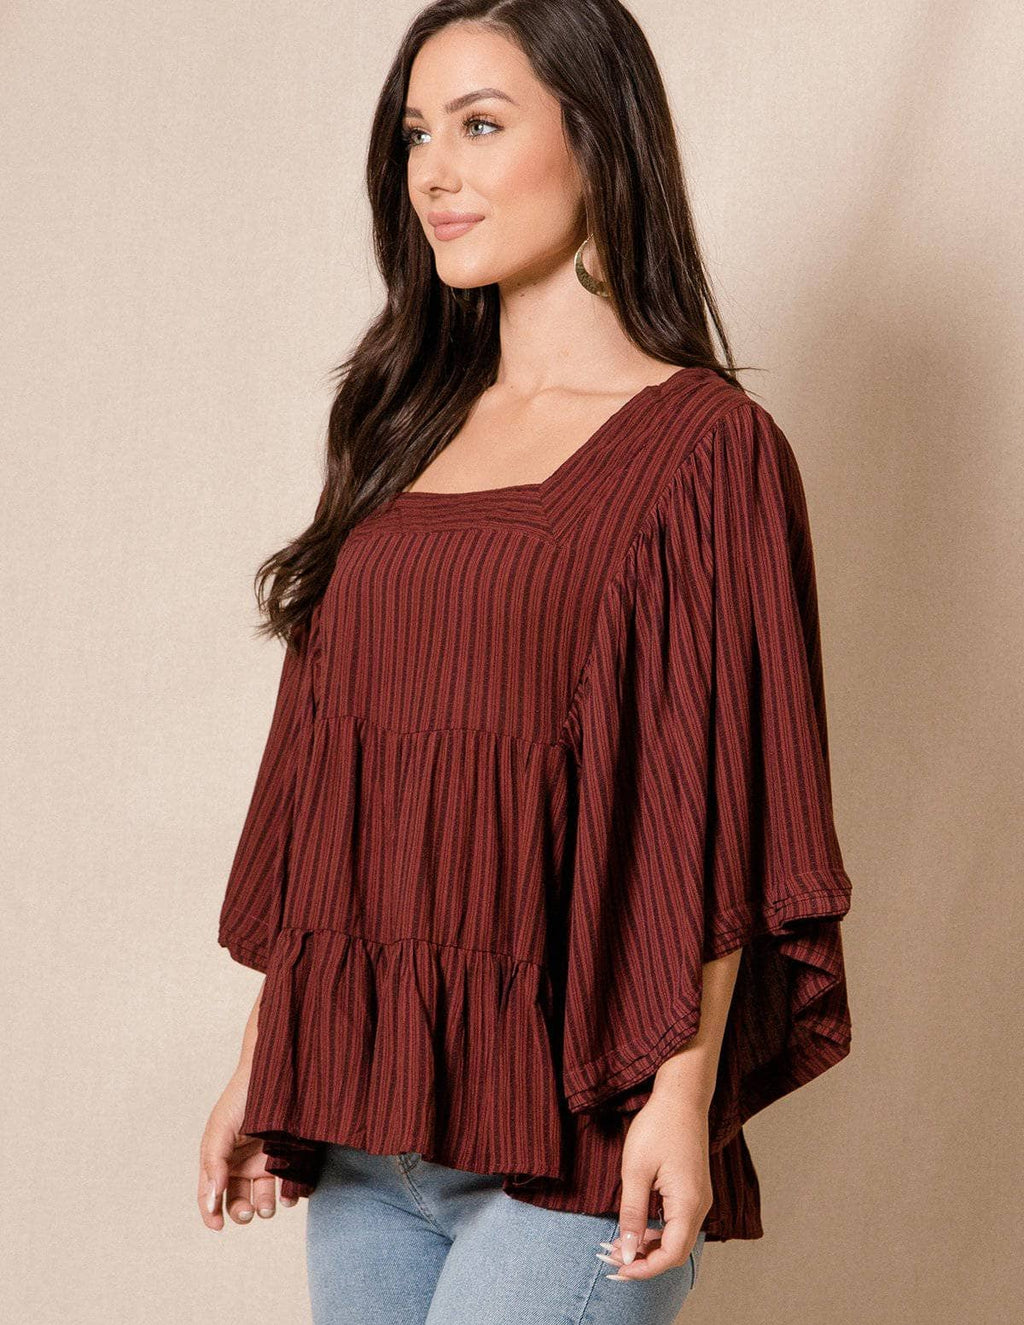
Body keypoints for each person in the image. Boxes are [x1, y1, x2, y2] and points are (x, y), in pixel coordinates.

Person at [197, 2, 854, 1321]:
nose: (434, 172)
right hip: (367, 1113)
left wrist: (680, 1098)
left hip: (581, 1124)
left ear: (598, 143)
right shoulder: (399, 425)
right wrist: (265, 1054)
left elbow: (718, 803)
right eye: (416, 135)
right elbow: (333, 773)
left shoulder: (706, 450)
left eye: (481, 126)